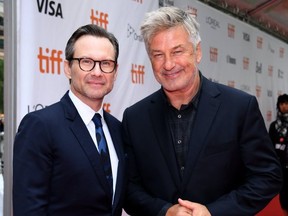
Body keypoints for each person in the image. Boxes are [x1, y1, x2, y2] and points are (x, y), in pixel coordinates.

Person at [122, 6, 282, 216]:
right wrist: (165, 211)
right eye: (158, 55)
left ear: (197, 52)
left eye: (177, 51)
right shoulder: (135, 118)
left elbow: (267, 176)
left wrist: (214, 212)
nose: (168, 64)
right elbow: (129, 189)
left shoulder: (239, 107)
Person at [13, 24, 127, 216]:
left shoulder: (117, 129)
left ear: (115, 72)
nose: (97, 72)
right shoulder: (40, 126)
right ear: (67, 68)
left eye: (106, 63)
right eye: (86, 62)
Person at [269, 94, 288, 216]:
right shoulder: (274, 126)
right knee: (284, 196)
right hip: (280, 166)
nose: (284, 106)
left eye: (286, 103)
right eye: (282, 104)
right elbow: (269, 146)